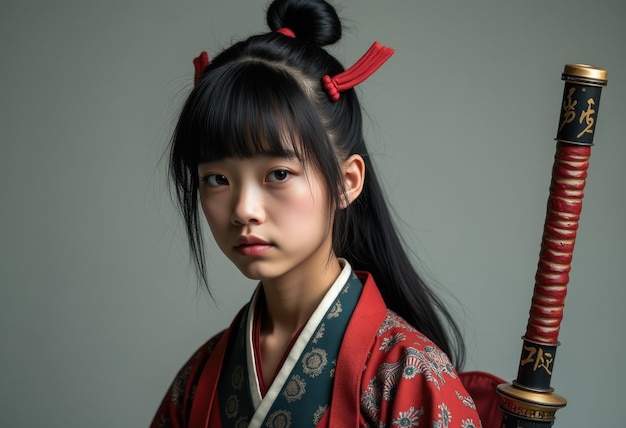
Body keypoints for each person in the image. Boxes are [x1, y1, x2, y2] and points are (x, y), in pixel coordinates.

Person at [152, 0, 482, 426]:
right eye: (217, 179)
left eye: (278, 173)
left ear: (347, 182)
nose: (244, 210)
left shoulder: (407, 375)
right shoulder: (201, 379)